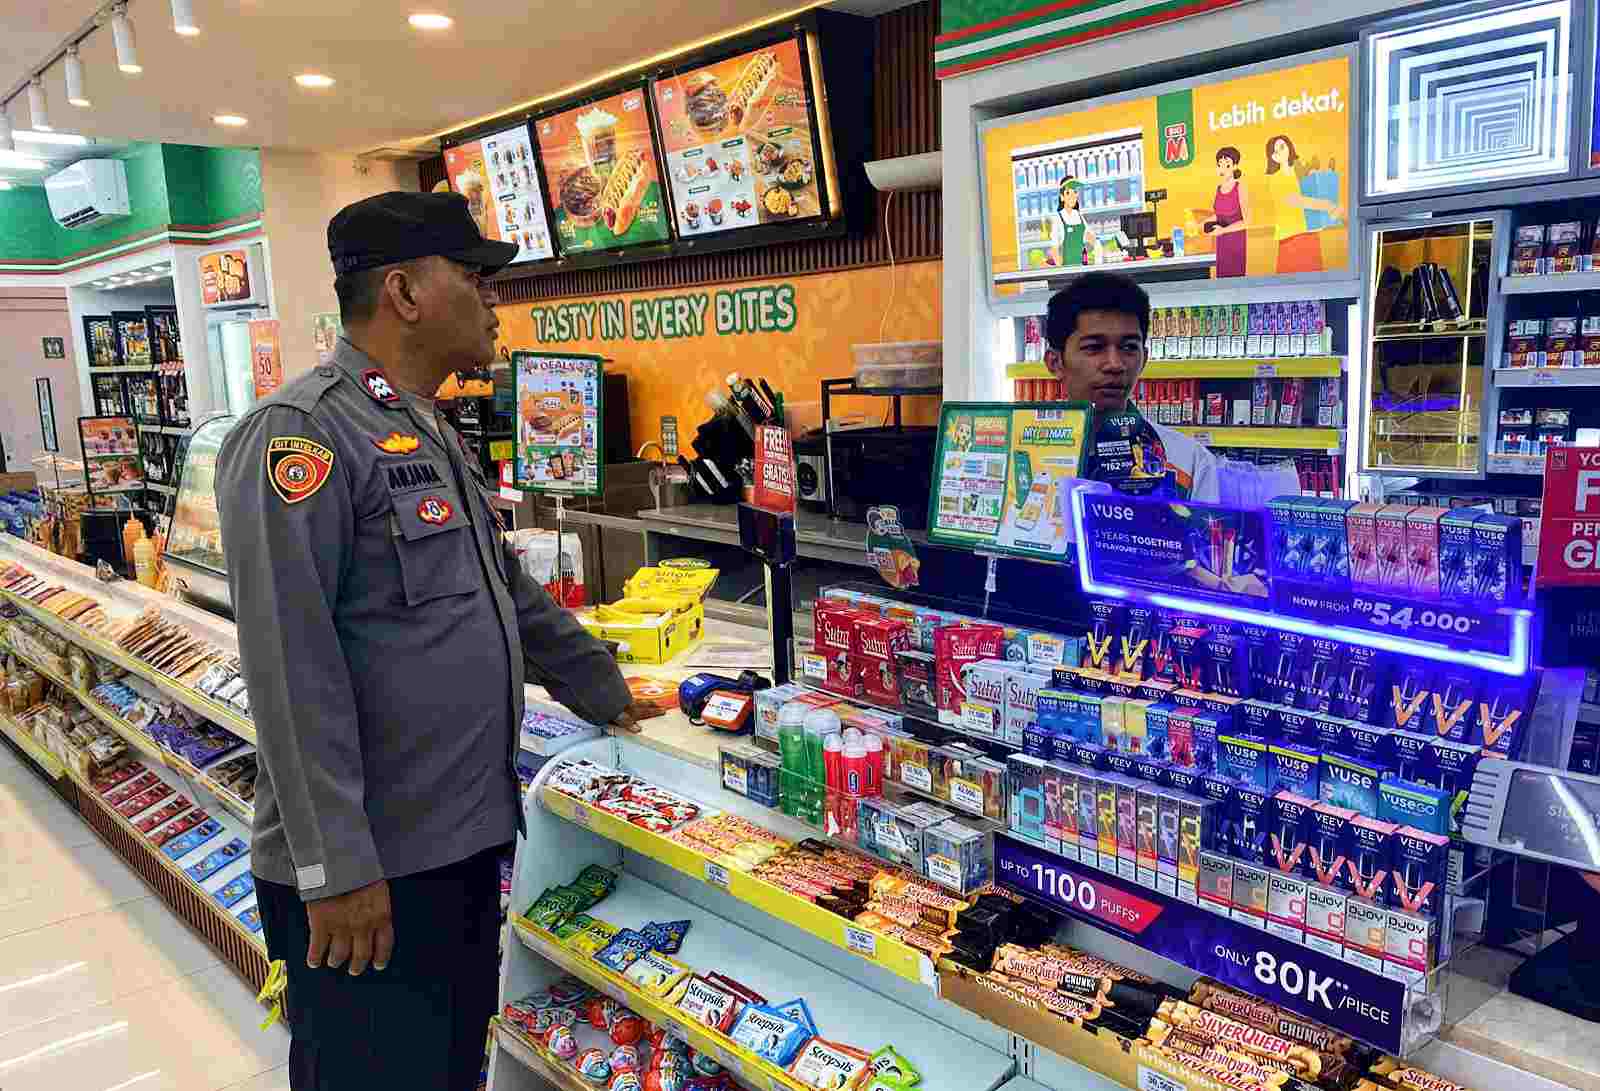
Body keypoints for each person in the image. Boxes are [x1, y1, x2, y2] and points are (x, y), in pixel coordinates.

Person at [215, 191, 645, 1090]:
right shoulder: (301, 435)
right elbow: (290, 669)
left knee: (447, 1070)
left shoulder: (428, 430)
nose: (494, 299)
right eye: (475, 276)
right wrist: (336, 868)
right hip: (370, 871)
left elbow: (508, 593)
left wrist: (607, 690)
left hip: (456, 848)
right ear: (405, 293)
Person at [1042, 271, 1299, 504]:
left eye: (1129, 347)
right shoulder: (1029, 455)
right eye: (1094, 347)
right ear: (1055, 362)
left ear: (1144, 358)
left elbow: (1203, 538)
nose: (1115, 364)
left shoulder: (1187, 460)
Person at [1263, 134, 1343, 273]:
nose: (1281, 151)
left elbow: (1313, 193)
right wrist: (1327, 205)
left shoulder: (1301, 173)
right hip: (1291, 238)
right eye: (1276, 151)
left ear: (1289, 147)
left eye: (1283, 146)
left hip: (1311, 235)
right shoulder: (1275, 179)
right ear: (1273, 157)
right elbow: (1295, 200)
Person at [1207, 147, 1249, 278]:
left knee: (1235, 280)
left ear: (1235, 166)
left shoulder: (1240, 188)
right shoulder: (1218, 189)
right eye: (1220, 164)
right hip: (1221, 243)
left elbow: (1247, 222)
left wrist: (1224, 230)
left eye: (1227, 165)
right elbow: (1218, 214)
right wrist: (1200, 223)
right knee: (1222, 279)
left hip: (1236, 243)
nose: (1223, 168)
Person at [1048, 177, 1097, 267]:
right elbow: (1054, 248)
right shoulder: (1058, 218)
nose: (1072, 196)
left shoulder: (1079, 215)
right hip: (1067, 267)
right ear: (1062, 197)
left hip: (1083, 266)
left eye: (1075, 192)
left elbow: (1090, 237)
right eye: (1068, 193)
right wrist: (1060, 269)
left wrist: (1096, 245)